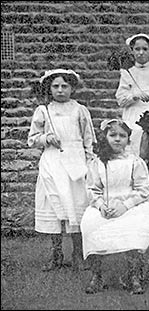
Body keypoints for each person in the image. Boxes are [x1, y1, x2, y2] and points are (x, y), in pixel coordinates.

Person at [27, 69, 96, 272]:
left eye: (64, 86)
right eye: (55, 86)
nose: (60, 90)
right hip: (52, 161)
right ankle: (56, 254)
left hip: (75, 161)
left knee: (76, 205)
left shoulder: (80, 110)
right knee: (53, 204)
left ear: (72, 88)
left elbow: (88, 138)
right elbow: (32, 138)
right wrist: (45, 138)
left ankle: (78, 253)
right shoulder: (43, 111)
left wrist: (90, 161)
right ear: (49, 88)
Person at [81, 119, 149, 295]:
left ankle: (134, 275)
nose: (117, 139)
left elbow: (144, 189)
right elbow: (92, 189)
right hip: (106, 205)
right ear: (105, 137)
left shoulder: (135, 161)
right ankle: (97, 275)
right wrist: (100, 205)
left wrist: (125, 206)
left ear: (128, 139)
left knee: (134, 225)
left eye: (122, 136)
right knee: (90, 223)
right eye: (113, 135)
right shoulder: (97, 162)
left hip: (132, 204)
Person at [115, 33, 149, 156]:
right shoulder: (127, 73)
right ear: (132, 51)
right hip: (132, 116)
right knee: (133, 150)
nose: (141, 53)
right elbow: (120, 100)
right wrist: (135, 96)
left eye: (145, 49)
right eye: (137, 49)